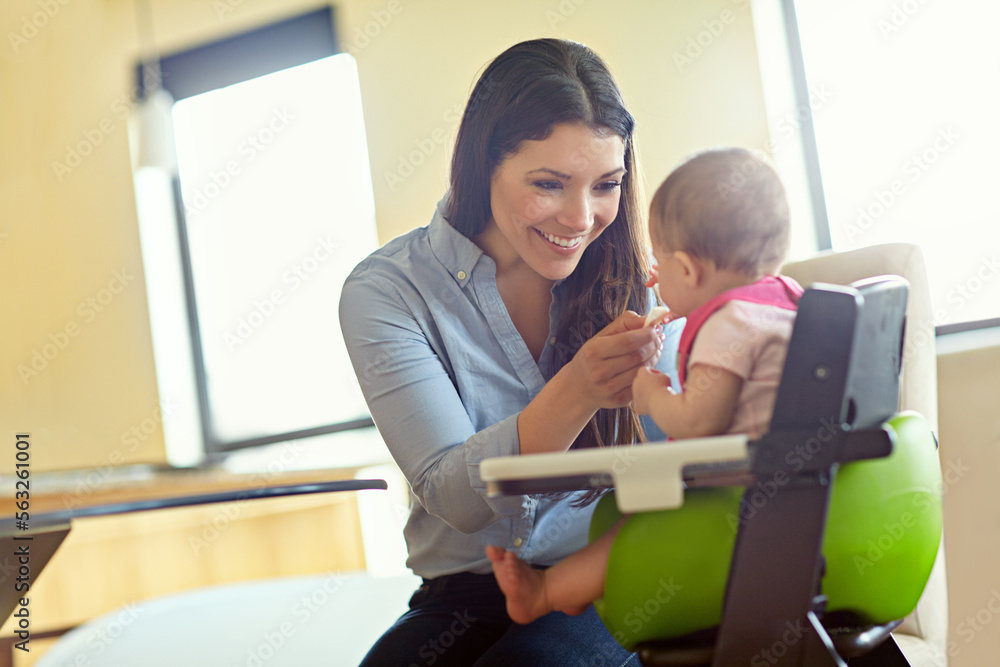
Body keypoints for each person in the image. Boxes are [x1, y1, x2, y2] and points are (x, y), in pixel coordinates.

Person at [339, 38, 683, 666]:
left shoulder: (641, 281)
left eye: (605, 185)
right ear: (482, 166)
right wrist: (577, 389)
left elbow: (692, 452)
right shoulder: (388, 291)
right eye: (549, 184)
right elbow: (457, 498)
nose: (581, 217)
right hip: (463, 593)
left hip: (613, 572)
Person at [486, 147, 804, 626]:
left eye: (663, 267)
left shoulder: (728, 324)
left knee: (635, 526)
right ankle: (564, 591)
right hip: (794, 496)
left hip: (737, 506)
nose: (652, 279)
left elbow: (699, 422)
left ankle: (549, 591)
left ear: (691, 271)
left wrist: (653, 396)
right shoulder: (785, 302)